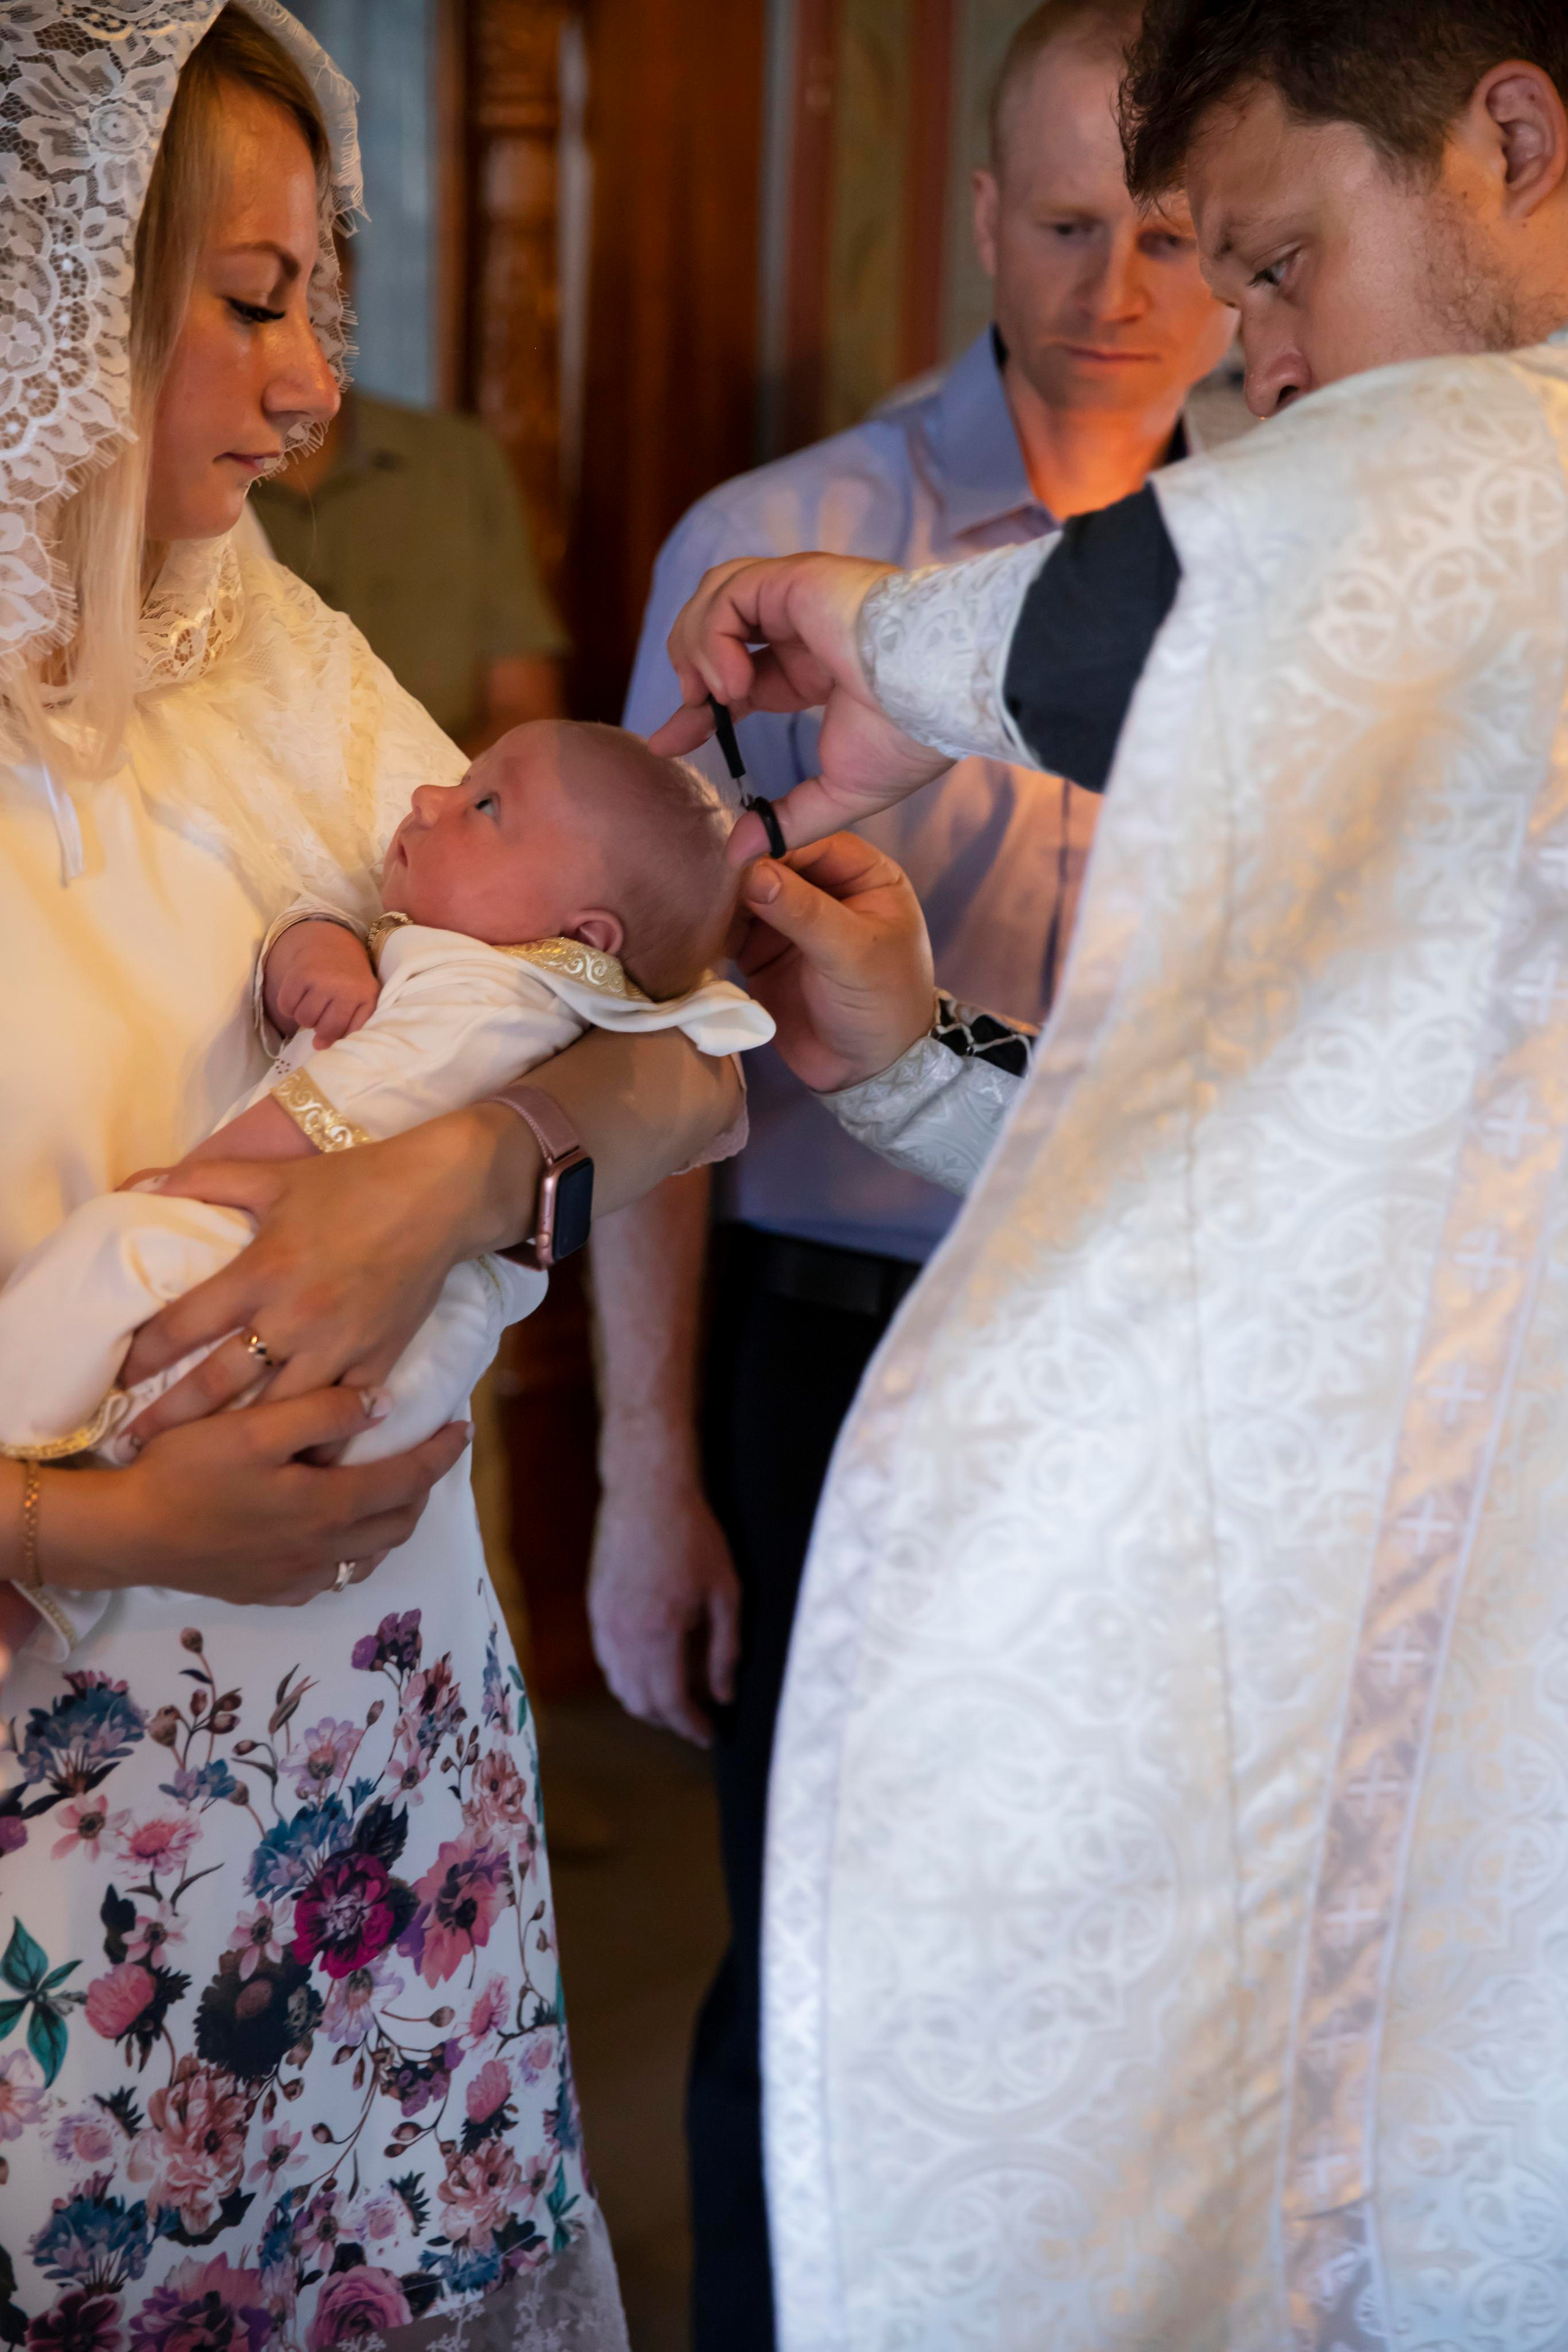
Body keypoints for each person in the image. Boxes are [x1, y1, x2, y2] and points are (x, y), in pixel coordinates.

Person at [652, 2, 1568, 2343]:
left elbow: (1246, 571)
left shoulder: (1498, 477)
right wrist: (912, 1059)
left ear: (1505, 150)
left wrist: (875, 643)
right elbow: (1277, 1185)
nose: (1242, 359)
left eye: (1269, 266)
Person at [0, 11, 737, 2349]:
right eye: (249, 301)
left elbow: (686, 1052)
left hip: (377, 1773)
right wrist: (87, 1524)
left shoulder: (260, 653)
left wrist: (460, 1168)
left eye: (323, 298)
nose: (316, 385)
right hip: (69, 1803)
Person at [590, 7, 1237, 2335]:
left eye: (1166, 230)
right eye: (1064, 222)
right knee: (819, 1971)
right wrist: (641, 1470)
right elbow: (649, 1048)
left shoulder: (1289, 568)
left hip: (1191, 1360)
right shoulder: (780, 550)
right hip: (840, 1353)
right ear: (979, 216)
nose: (1116, 282)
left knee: (1155, 1988)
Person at [0, 725, 770, 1485]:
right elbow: (346, 913)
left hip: (294, 1273)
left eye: (488, 806)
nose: (430, 796)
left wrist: (188, 1182)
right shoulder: (504, 977)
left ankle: (24, 1457)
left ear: (583, 934)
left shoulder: (491, 997)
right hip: (396, 1356)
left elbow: (342, 1104)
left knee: (115, 1252)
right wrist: (314, 942)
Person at [251, 326, 567, 753]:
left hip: (441, 798)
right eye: (256, 303)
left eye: (319, 292)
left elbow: (526, 709)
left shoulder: (459, 462)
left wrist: (429, 805)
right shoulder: (178, 484)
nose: (300, 327)